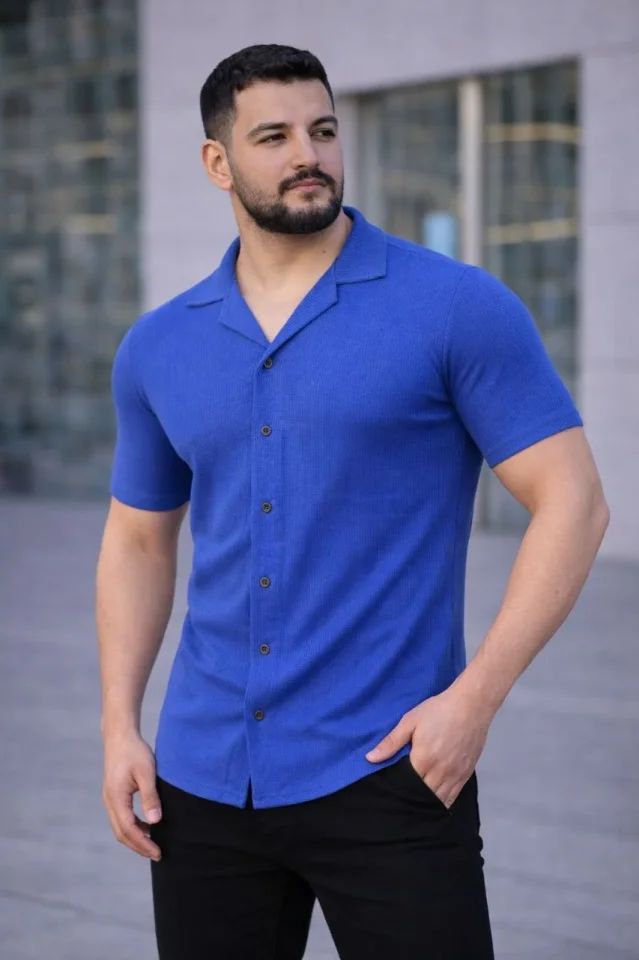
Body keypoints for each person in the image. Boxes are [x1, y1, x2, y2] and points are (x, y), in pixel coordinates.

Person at [96, 42, 610, 960]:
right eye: (274, 136)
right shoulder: (157, 346)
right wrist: (117, 725)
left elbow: (573, 503)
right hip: (203, 780)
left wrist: (473, 701)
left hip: (391, 767)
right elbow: (138, 540)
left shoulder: (455, 307)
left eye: (323, 129)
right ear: (217, 161)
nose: (309, 154)